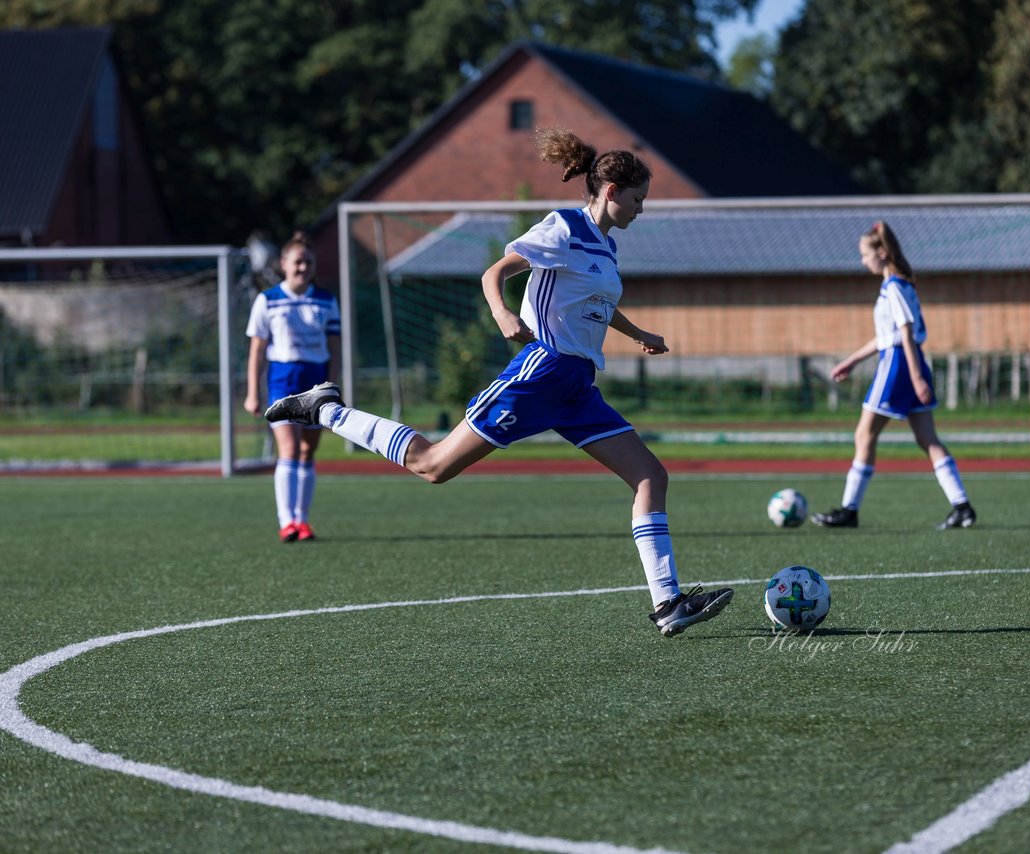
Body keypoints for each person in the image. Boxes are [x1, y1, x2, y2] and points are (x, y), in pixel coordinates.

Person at [266, 127, 733, 637]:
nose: (643, 209)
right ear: (611, 192)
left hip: (576, 386)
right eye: (639, 199)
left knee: (650, 476)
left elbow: (597, 304)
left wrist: (639, 333)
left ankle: (668, 604)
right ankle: (326, 408)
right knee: (434, 464)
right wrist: (502, 314)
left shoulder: (606, 245)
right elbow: (495, 273)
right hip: (542, 371)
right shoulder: (564, 227)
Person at [812, 220, 976, 530]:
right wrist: (852, 361)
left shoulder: (894, 287)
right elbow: (886, 335)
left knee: (864, 435)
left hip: (900, 364)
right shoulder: (901, 284)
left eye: (865, 254)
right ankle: (962, 506)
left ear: (882, 252)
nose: (863, 261)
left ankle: (849, 510)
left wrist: (914, 377)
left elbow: (905, 332)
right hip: (908, 361)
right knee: (928, 439)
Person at [244, 231, 341, 542]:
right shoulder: (268, 300)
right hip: (283, 382)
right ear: (283, 264)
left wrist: (334, 386)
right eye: (298, 262)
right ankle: (287, 522)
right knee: (287, 449)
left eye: (308, 263)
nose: (303, 268)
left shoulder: (326, 300)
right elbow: (257, 350)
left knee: (307, 452)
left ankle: (302, 520)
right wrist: (252, 392)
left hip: (316, 382)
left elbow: (334, 347)